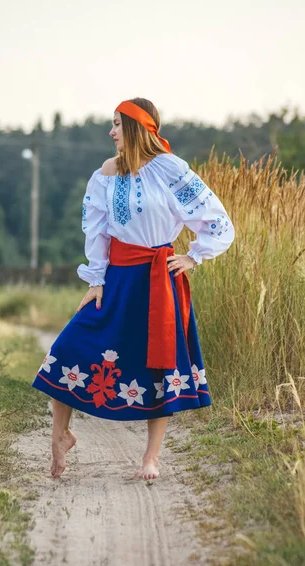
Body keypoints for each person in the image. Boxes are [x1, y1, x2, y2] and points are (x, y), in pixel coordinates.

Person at [32, 97, 235, 481]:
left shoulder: (171, 171)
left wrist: (193, 256)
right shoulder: (107, 174)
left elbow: (218, 221)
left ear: (138, 128)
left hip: (159, 281)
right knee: (68, 347)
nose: (110, 133)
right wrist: (96, 280)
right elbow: (96, 230)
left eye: (116, 125)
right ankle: (61, 435)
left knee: (158, 366)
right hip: (117, 279)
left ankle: (150, 459)